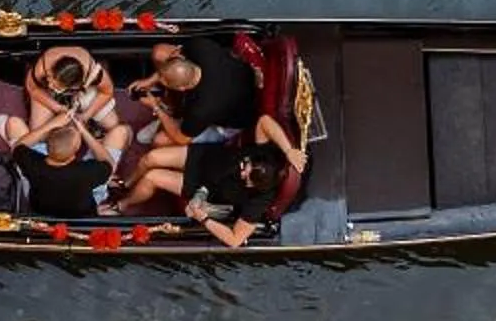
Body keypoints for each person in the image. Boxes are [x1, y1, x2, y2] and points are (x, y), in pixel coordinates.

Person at [116, 110, 306, 242]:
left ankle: (121, 205)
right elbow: (265, 121)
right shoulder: (267, 155)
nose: (241, 171)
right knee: (150, 158)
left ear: (254, 187)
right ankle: (126, 184)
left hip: (202, 186)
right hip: (205, 158)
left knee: (152, 177)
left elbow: (235, 239)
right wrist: (289, 151)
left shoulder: (259, 202)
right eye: (245, 165)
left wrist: (204, 219)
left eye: (245, 176)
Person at [124, 34, 259, 147]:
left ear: (182, 89)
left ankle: (171, 118)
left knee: (160, 141)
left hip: (228, 123)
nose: (159, 80)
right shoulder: (200, 47)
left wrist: (155, 107)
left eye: (166, 83)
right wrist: (149, 81)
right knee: (160, 52)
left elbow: (181, 139)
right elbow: (174, 56)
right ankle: (173, 112)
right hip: (235, 82)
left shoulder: (202, 109)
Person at [23, 45, 129, 167]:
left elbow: (107, 92)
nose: (52, 85)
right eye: (52, 81)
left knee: (113, 125)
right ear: (51, 72)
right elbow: (33, 89)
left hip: (83, 92)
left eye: (57, 86)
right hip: (45, 92)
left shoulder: (93, 72)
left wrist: (87, 115)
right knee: (38, 132)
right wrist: (56, 107)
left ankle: (102, 150)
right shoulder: (42, 68)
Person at [0, 113, 113, 221]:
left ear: (46, 148)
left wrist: (51, 124)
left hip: (41, 212)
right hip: (79, 217)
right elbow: (108, 162)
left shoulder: (34, 164)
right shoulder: (86, 172)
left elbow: (18, 146)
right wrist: (84, 132)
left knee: (7, 122)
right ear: (75, 152)